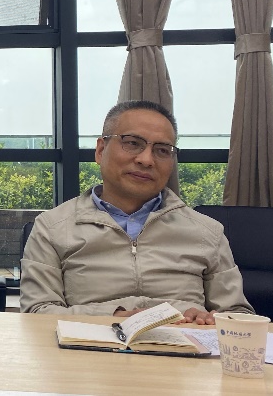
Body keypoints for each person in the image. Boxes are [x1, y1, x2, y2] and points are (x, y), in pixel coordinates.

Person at [21, 100, 253, 324]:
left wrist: (212, 319)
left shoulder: (207, 232)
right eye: (132, 143)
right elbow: (37, 312)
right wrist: (110, 317)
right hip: (90, 345)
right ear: (101, 150)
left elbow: (238, 315)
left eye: (162, 150)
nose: (146, 160)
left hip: (185, 344)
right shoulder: (52, 227)